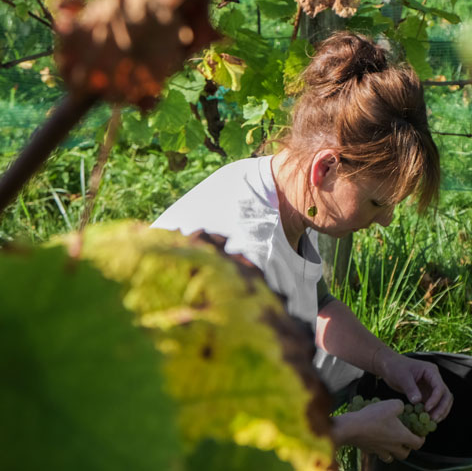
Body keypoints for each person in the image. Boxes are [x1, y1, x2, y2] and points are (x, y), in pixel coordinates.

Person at [152, 31, 453, 463]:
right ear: (325, 167)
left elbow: (319, 305)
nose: (386, 219)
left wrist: (390, 362)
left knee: (343, 369)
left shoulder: (279, 188)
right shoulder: (247, 253)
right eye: (376, 203)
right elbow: (218, 436)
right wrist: (348, 430)